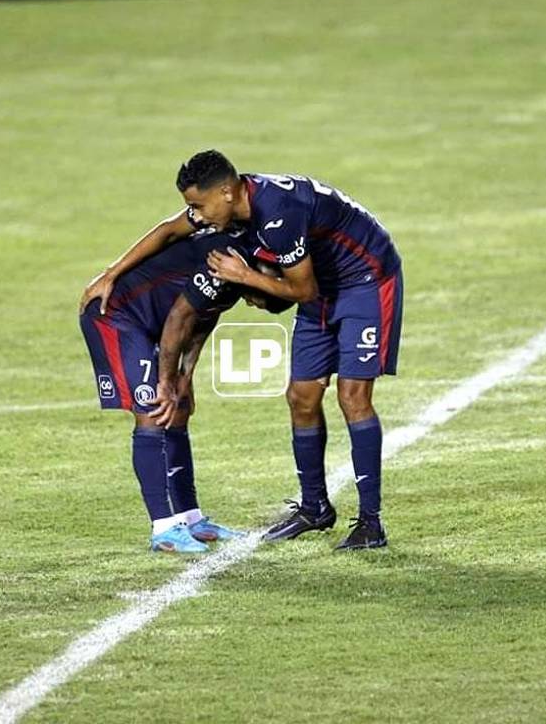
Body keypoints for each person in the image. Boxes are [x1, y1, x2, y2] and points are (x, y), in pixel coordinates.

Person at [94, 150, 404, 551]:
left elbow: (302, 292)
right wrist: (110, 274)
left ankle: (370, 523)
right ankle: (314, 508)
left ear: (225, 192)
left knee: (353, 396)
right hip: (322, 284)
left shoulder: (278, 213)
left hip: (365, 279)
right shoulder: (230, 210)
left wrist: (243, 276)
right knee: (301, 396)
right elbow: (169, 231)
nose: (197, 217)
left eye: (198, 206)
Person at [79, 222, 288, 553]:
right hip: (117, 316)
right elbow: (179, 318)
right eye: (258, 301)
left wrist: (185, 376)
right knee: (153, 412)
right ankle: (163, 530)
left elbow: (204, 317)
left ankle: (191, 519)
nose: (252, 305)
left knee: (180, 409)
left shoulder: (240, 269)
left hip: (154, 323)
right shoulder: (224, 264)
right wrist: (166, 381)